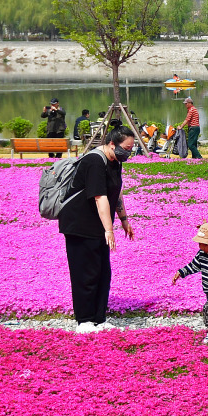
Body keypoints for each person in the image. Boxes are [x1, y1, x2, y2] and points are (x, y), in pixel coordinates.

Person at [58, 128, 136, 333]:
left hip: (99, 226)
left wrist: (124, 220)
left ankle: (99, 318)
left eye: (131, 149)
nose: (128, 153)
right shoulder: (94, 161)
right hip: (80, 225)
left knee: (102, 272)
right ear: (112, 144)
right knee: (85, 272)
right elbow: (100, 197)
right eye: (126, 148)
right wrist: (109, 230)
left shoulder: (115, 162)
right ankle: (84, 320)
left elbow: (116, 193)